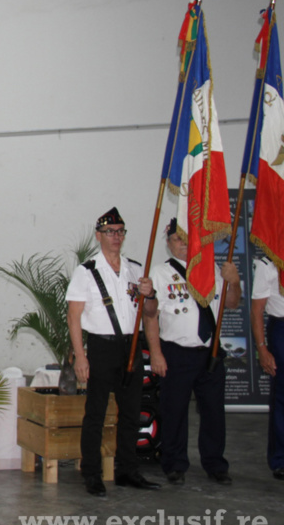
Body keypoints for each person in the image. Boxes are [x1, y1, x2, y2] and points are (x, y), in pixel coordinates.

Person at [66, 207, 160, 496]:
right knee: (95, 412)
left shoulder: (134, 269)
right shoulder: (87, 271)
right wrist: (80, 356)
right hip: (101, 347)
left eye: (120, 231)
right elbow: (74, 315)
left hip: (131, 346)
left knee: (131, 412)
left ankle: (127, 470)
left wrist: (151, 294)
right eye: (110, 232)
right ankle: (92, 473)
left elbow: (150, 313)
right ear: (99, 236)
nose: (116, 236)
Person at [143, 219, 240, 486]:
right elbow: (150, 316)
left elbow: (231, 304)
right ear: (168, 243)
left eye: (187, 239)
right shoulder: (161, 273)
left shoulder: (212, 269)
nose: (182, 244)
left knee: (213, 413)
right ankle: (174, 464)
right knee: (174, 411)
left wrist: (234, 282)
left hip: (209, 353)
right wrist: (156, 353)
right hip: (176, 352)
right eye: (177, 239)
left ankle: (215, 464)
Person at [251, 255, 284, 481]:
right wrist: (262, 348)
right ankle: (281, 459)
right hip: (281, 327)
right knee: (282, 397)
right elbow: (256, 310)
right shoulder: (268, 263)